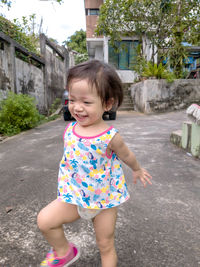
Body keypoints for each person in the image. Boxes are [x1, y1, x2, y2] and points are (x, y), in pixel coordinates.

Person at [37, 60, 152, 267]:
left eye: (86, 102)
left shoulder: (110, 136)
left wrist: (137, 169)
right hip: (75, 197)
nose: (77, 107)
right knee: (45, 221)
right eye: (72, 99)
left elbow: (127, 155)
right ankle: (65, 252)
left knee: (105, 244)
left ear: (107, 104)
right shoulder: (70, 129)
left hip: (105, 200)